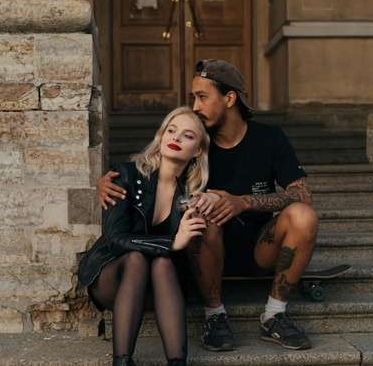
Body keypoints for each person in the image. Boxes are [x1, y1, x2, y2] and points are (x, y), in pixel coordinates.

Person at [98, 60, 318, 352]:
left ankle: (275, 314)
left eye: (202, 97)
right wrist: (111, 181)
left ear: (229, 98)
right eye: (193, 98)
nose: (195, 106)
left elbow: (302, 194)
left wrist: (243, 202)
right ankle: (215, 316)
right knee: (203, 215)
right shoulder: (194, 140)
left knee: (303, 215)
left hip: (261, 248)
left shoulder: (269, 138)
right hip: (203, 248)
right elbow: (151, 168)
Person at [78, 107, 216, 366]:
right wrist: (172, 242)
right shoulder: (125, 175)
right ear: (161, 136)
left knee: (163, 262)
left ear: (198, 150)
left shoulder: (194, 193)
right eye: (171, 130)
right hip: (114, 279)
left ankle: (177, 362)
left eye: (187, 135)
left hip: (162, 288)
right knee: (136, 259)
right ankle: (122, 361)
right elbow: (115, 238)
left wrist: (213, 200)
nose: (176, 138)